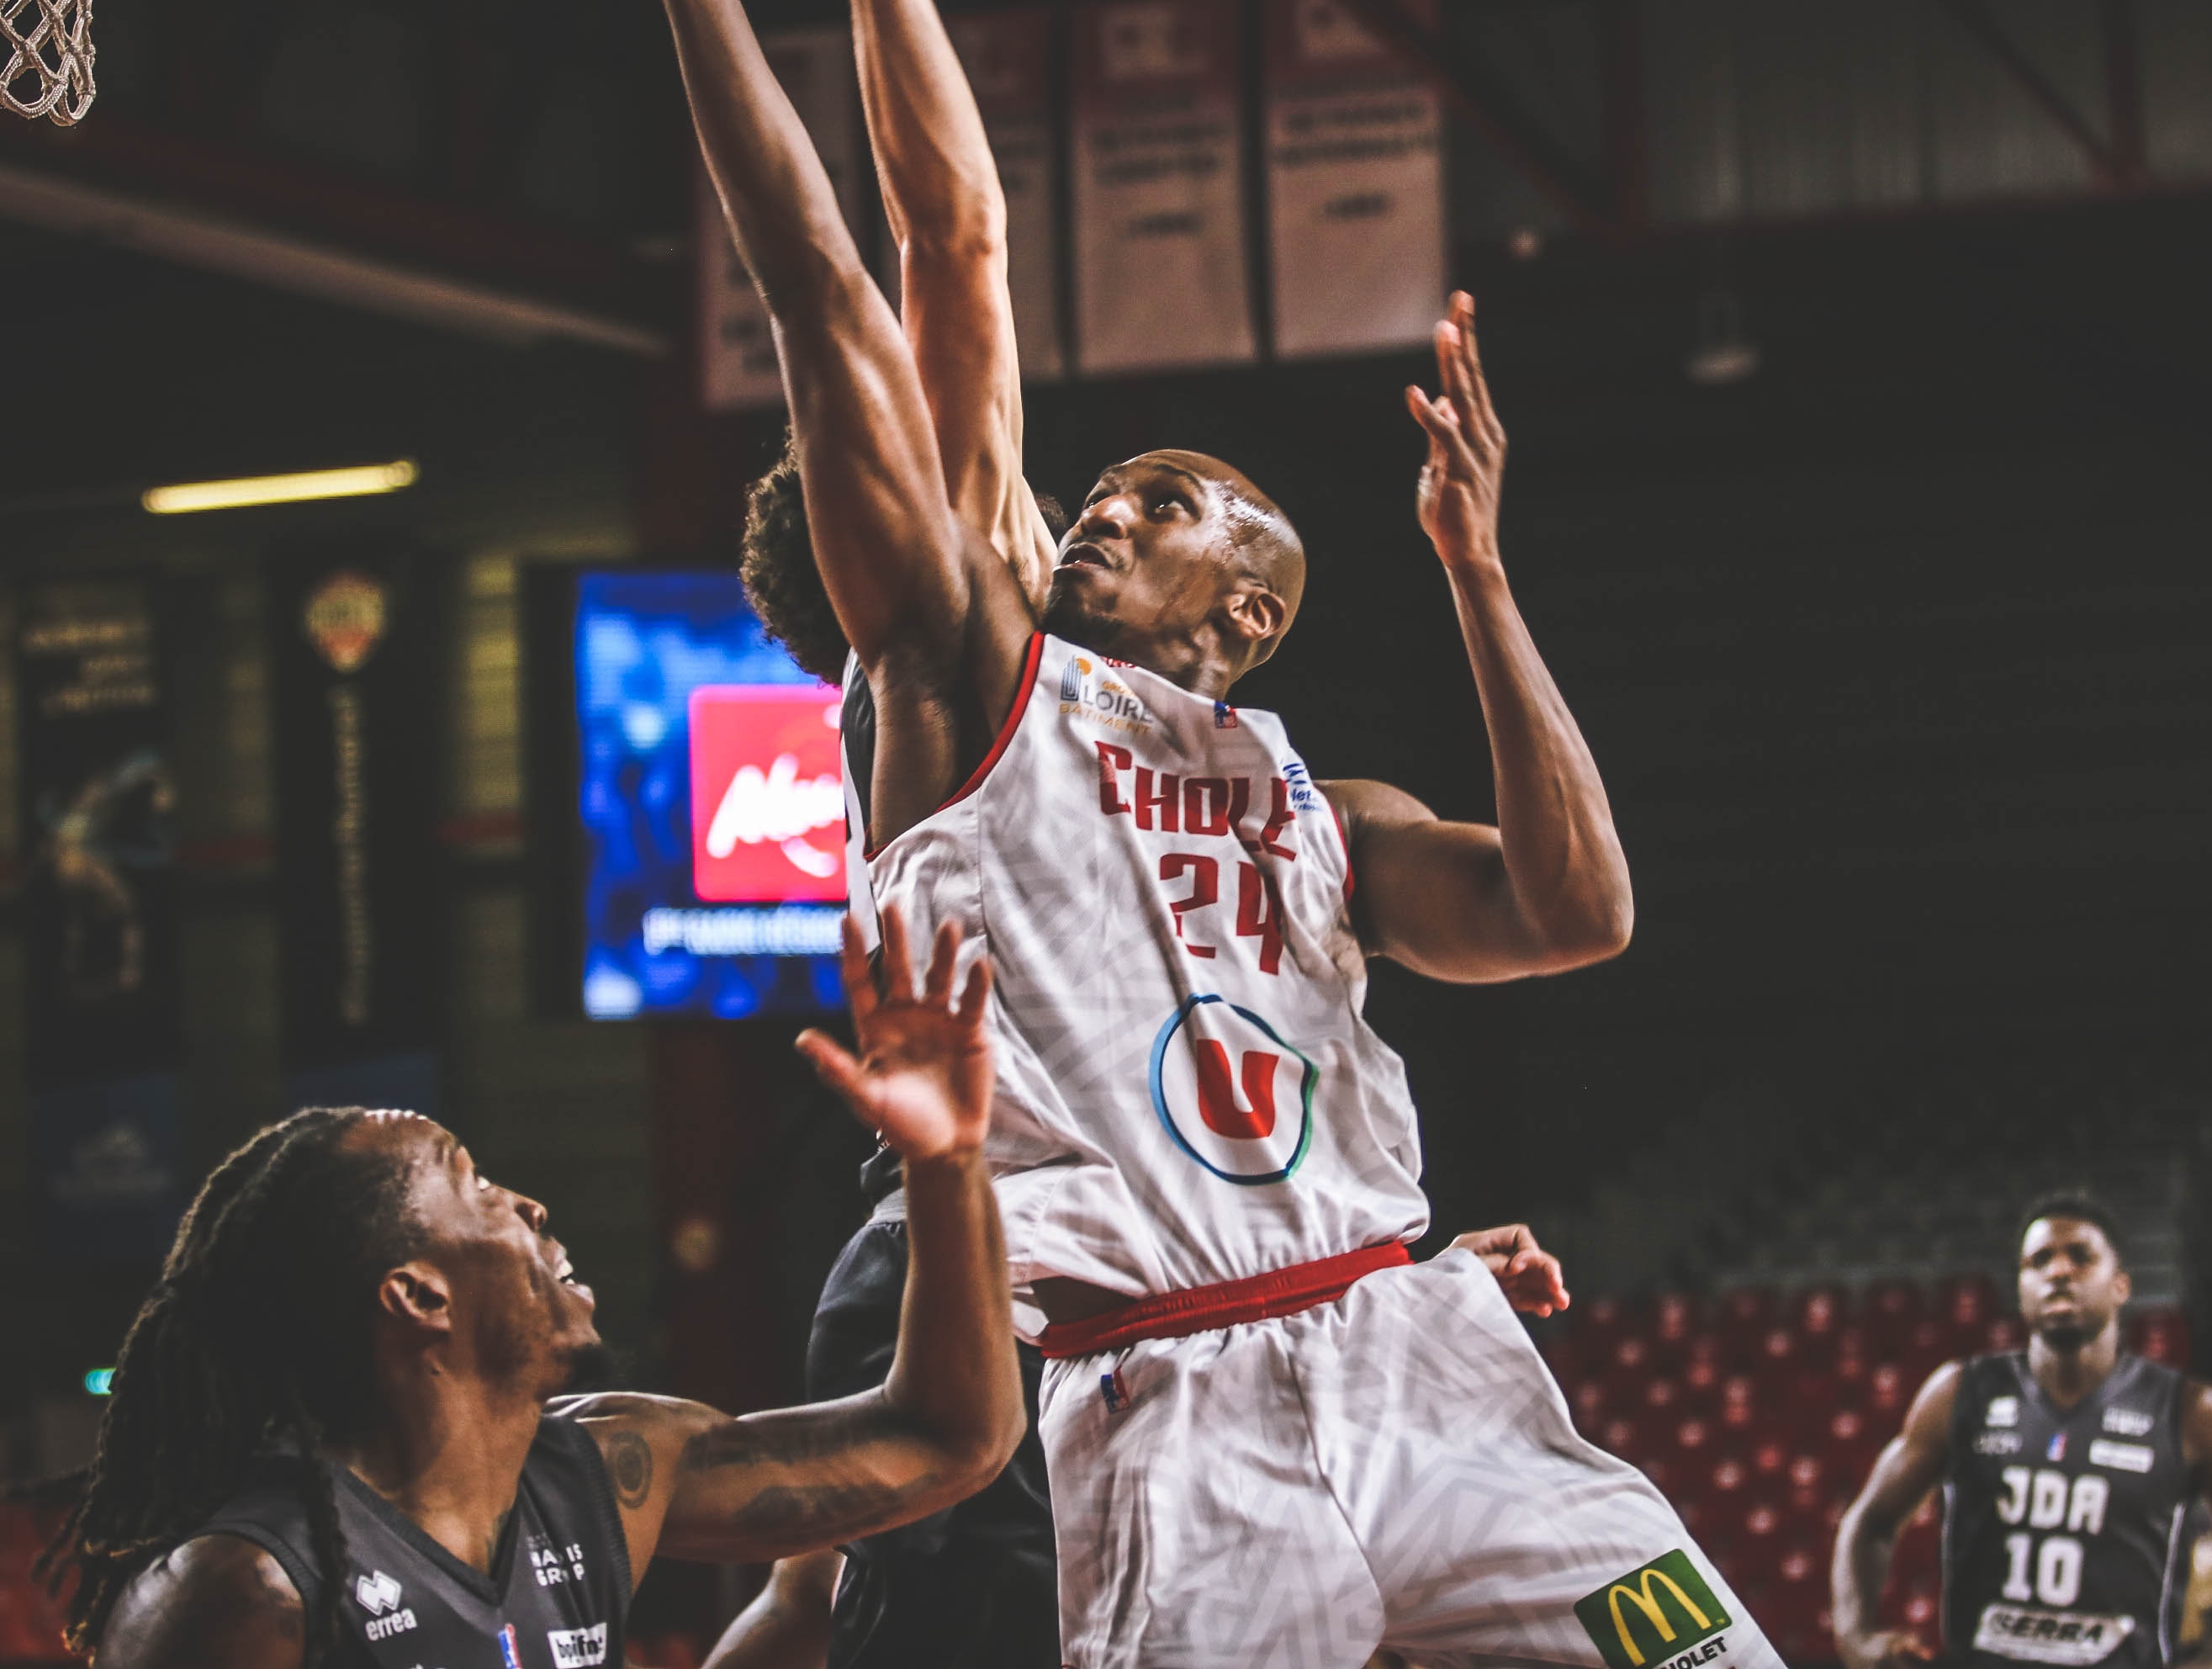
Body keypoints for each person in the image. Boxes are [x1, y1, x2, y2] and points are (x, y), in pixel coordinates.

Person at [658, 3, 1758, 1664]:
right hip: (1165, 1379)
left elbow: (1573, 911)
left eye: (1156, 502)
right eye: (1094, 491)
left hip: (1413, 1336)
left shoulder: (1331, 805)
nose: (1098, 507)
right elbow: (902, 247)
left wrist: (1481, 573)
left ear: (1251, 601)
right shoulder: (968, 677)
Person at [43, 908, 1022, 1669]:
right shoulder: (246, 1590)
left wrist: (944, 1163)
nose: (532, 1204)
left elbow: (950, 1441)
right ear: (418, 1295)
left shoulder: (605, 1473)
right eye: (475, 1183)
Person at [1832, 1194, 2212, 1669]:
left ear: (2120, 1286)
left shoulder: (2192, 1412)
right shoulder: (1958, 1393)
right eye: (2039, 1261)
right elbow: (1868, 1521)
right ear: (2021, 1286)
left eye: (2080, 1256)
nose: (2058, 1271)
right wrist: (1855, 1632)